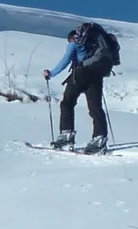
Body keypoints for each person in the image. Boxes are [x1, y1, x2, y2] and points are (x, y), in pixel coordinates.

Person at [43, 20, 120, 151]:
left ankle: (67, 133)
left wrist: (51, 73)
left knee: (67, 102)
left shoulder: (74, 43)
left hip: (81, 72)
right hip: (97, 74)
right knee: (95, 107)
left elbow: (66, 60)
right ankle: (99, 138)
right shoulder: (95, 46)